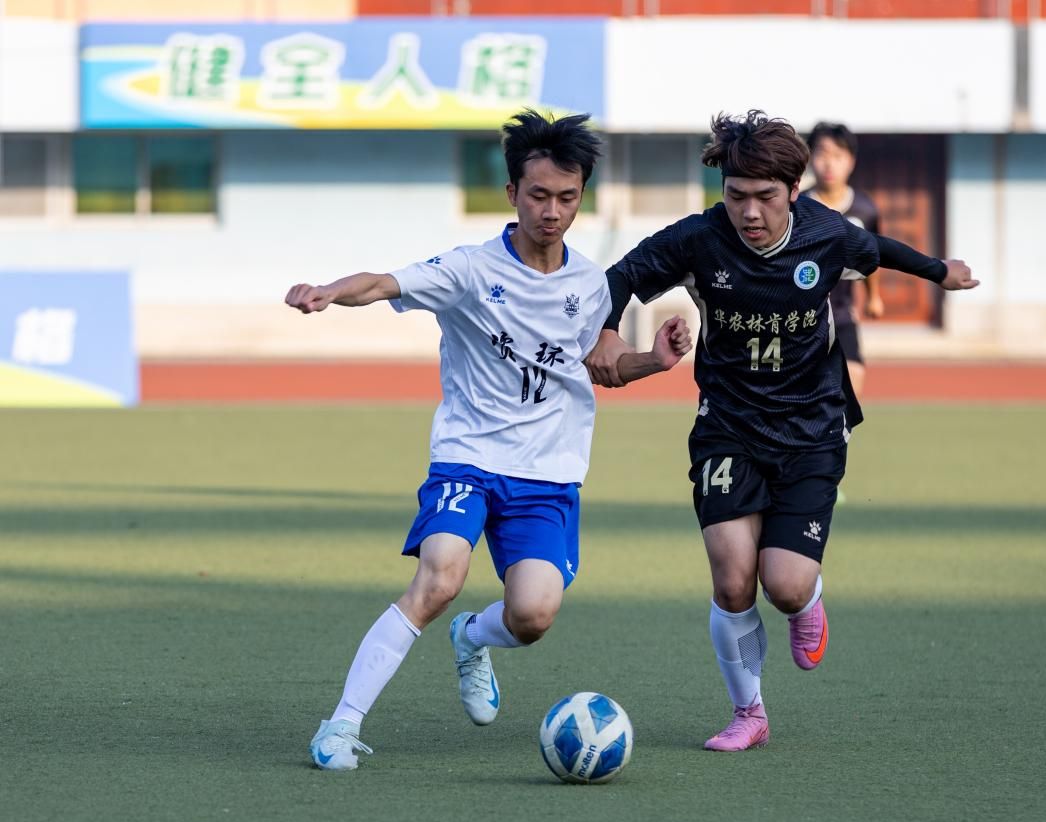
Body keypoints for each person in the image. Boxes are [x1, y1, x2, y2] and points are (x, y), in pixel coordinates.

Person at [285, 110, 692, 771]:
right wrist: (331, 292)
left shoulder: (591, 286)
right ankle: (341, 725)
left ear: (581, 197)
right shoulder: (471, 270)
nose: (552, 212)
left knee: (532, 615)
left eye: (567, 198)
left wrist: (656, 359)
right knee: (440, 576)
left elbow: (604, 365)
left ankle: (472, 637)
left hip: (547, 472)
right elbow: (384, 283)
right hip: (468, 458)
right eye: (538, 195)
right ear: (512, 193)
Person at [586, 111, 977, 752]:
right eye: (736, 194)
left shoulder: (827, 234)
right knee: (732, 578)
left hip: (812, 427)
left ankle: (806, 601)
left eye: (765, 196)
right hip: (728, 428)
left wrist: (940, 272)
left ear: (794, 190)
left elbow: (880, 251)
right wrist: (606, 331)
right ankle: (749, 713)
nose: (749, 211)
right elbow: (621, 276)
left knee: (785, 584)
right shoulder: (699, 239)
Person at [803, 121, 882, 398]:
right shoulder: (796, 206)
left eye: (838, 156)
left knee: (854, 375)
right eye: (822, 154)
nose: (829, 164)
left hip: (842, 313)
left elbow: (873, 257)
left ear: (851, 161)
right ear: (810, 157)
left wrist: (874, 297)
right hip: (801, 316)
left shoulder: (865, 210)